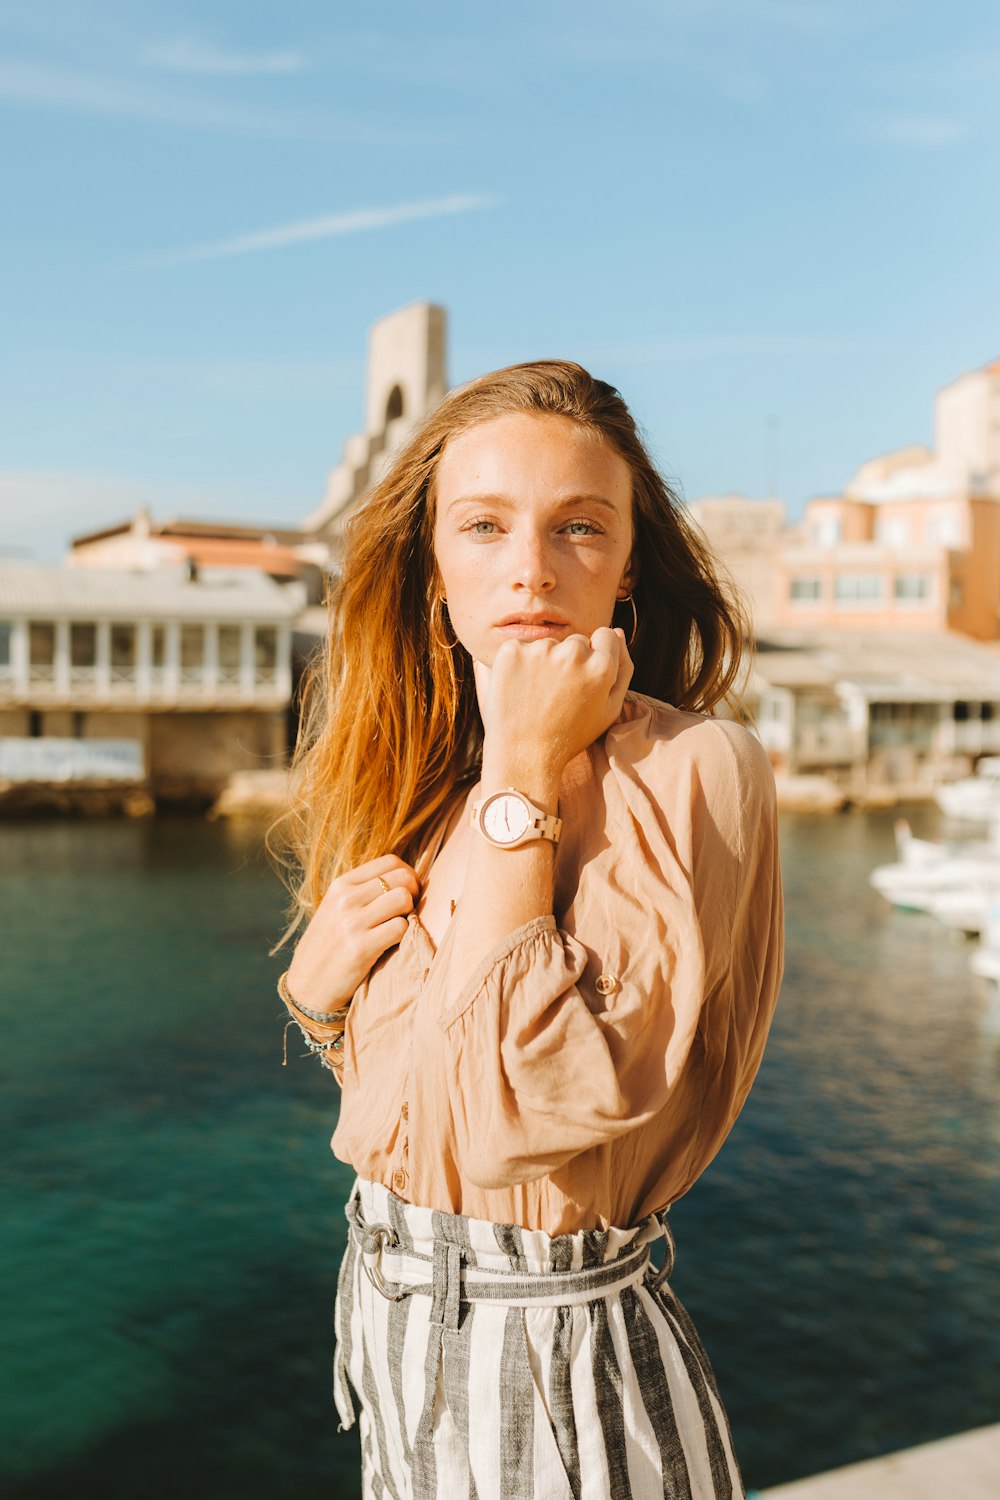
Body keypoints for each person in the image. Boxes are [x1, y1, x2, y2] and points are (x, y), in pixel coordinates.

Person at [273, 360, 784, 1499]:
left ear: (627, 565)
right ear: (432, 567)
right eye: (485, 526)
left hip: (554, 1367)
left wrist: (522, 765)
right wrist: (315, 999)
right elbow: (426, 1109)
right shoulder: (430, 777)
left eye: (579, 529)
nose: (530, 572)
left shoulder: (692, 771)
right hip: (391, 1335)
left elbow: (522, 1115)